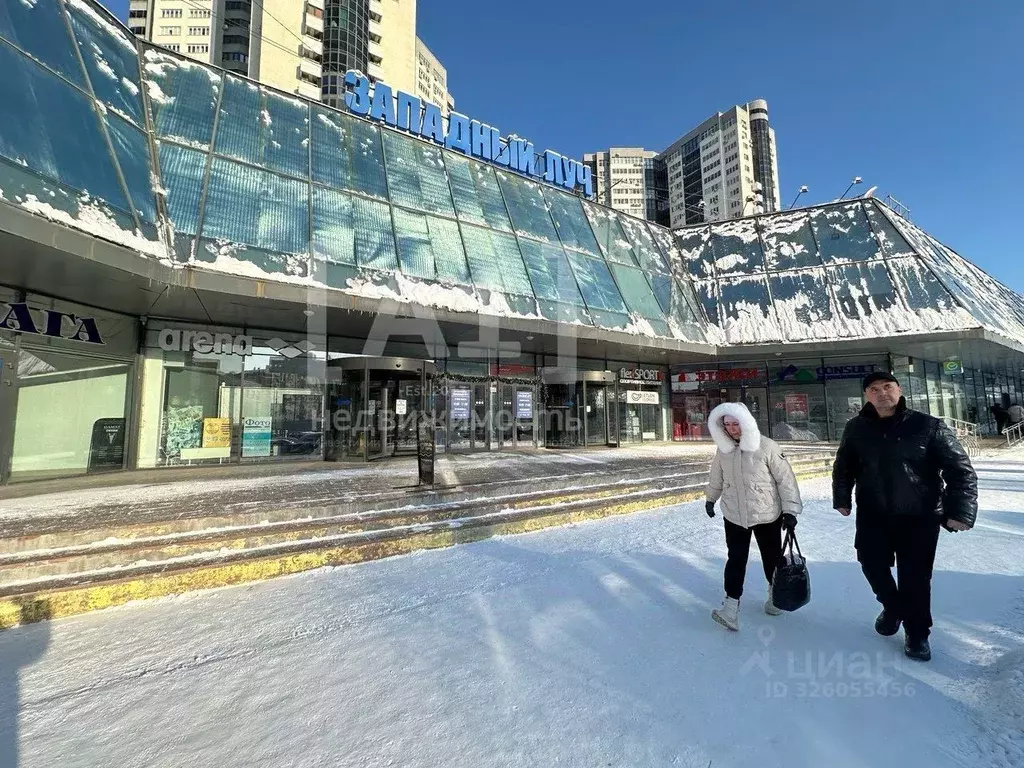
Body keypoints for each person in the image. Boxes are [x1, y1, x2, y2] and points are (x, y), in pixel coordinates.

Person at [833, 372, 978, 662]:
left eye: (887, 387)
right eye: (874, 389)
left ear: (899, 390)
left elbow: (960, 470)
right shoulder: (856, 428)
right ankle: (894, 607)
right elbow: (843, 467)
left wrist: (960, 510)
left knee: (915, 577)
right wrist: (842, 498)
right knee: (871, 563)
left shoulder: (928, 426)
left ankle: (917, 633)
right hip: (873, 513)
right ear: (866, 396)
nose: (881, 393)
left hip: (919, 516)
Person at [704, 402, 802, 631]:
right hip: (734, 515)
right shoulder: (724, 450)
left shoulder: (767, 446)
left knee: (771, 558)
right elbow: (716, 477)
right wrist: (711, 498)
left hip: (766, 514)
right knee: (736, 559)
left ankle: (774, 595)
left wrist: (790, 511)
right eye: (726, 424)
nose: (731, 429)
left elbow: (786, 480)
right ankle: (730, 608)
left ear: (745, 422)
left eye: (735, 423)